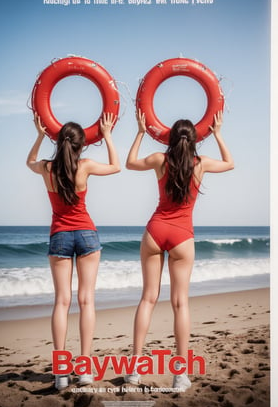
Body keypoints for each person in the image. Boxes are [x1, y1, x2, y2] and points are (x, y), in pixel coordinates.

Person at [125, 109, 234, 391]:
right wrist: (219, 133)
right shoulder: (201, 164)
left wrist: (139, 131)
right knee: (180, 303)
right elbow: (230, 163)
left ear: (170, 138)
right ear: (196, 139)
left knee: (148, 299)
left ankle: (135, 370)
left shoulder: (160, 160)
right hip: (183, 237)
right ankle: (180, 375)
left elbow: (130, 163)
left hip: (155, 230)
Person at [26, 112, 120, 389]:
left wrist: (40, 134)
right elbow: (116, 166)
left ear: (58, 142)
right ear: (82, 145)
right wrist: (108, 134)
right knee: (87, 301)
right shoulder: (86, 166)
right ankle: (85, 370)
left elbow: (28, 162)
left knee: (62, 302)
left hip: (59, 237)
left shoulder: (46, 168)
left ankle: (60, 374)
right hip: (87, 235)